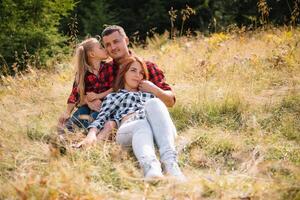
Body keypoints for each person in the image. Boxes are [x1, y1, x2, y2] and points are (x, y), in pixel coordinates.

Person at [76, 25, 176, 146]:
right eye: (107, 44)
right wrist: (88, 100)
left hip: (137, 120)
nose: (112, 47)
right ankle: (69, 139)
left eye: (116, 41)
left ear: (126, 40)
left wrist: (154, 89)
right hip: (107, 118)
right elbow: (82, 92)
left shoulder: (146, 67)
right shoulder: (104, 69)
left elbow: (170, 101)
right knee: (83, 112)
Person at [88, 56, 185, 180]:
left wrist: (154, 91)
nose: (138, 75)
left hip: (159, 132)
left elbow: (166, 109)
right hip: (129, 130)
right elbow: (101, 118)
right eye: (133, 70)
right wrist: (91, 134)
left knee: (154, 103)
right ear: (124, 73)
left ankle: (171, 165)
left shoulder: (149, 95)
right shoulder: (114, 96)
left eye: (141, 73)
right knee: (141, 124)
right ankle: (151, 168)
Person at [57, 37, 113, 134]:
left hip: (104, 106)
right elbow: (74, 94)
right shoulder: (83, 74)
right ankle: (65, 132)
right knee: (80, 113)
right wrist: (67, 112)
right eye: (101, 48)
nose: (105, 49)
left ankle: (86, 135)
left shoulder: (108, 68)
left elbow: (115, 88)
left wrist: (98, 96)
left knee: (95, 117)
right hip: (87, 105)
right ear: (92, 54)